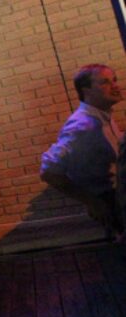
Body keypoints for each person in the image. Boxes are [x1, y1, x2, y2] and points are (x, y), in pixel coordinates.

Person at [41, 64, 124, 235]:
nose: (115, 86)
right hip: (110, 203)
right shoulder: (83, 126)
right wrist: (93, 202)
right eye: (105, 82)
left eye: (114, 80)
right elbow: (49, 171)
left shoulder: (103, 117)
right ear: (86, 91)